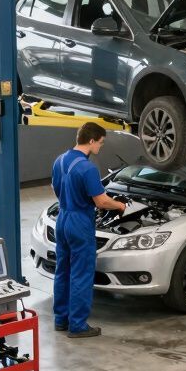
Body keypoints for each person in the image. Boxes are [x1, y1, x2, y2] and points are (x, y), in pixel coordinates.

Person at [51, 122, 127, 338]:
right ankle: (77, 325)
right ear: (91, 140)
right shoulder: (88, 168)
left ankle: (61, 319)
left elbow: (55, 188)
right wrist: (120, 205)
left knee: (63, 270)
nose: (101, 147)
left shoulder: (60, 160)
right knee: (81, 274)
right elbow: (102, 201)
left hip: (63, 217)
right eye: (101, 143)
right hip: (79, 222)